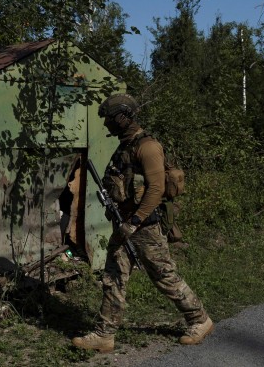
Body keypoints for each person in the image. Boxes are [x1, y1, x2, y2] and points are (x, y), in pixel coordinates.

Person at [72, 93, 214, 353]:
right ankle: (104, 335)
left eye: (109, 120)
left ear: (122, 117)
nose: (106, 125)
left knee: (164, 276)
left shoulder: (147, 147)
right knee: (113, 277)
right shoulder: (125, 145)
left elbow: (156, 189)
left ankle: (199, 320)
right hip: (125, 223)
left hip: (144, 226)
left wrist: (134, 222)